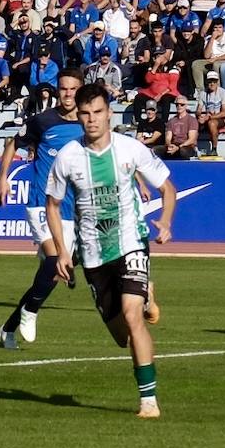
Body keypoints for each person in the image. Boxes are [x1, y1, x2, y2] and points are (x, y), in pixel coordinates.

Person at [45, 81, 177, 419]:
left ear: (109, 114)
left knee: (133, 317)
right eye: (85, 114)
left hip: (131, 242)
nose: (91, 120)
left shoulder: (130, 149)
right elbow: (53, 206)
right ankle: (146, 293)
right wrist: (62, 252)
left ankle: (149, 401)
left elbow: (167, 188)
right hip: (92, 254)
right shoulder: (68, 157)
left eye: (98, 113)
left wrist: (164, 221)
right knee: (122, 336)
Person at [0, 69, 84, 348]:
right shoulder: (43, 121)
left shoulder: (88, 122)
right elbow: (13, 143)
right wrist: (3, 178)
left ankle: (8, 327)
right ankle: (30, 311)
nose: (68, 94)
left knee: (57, 271)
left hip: (70, 208)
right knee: (56, 258)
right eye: (63, 89)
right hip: (42, 203)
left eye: (72, 89)